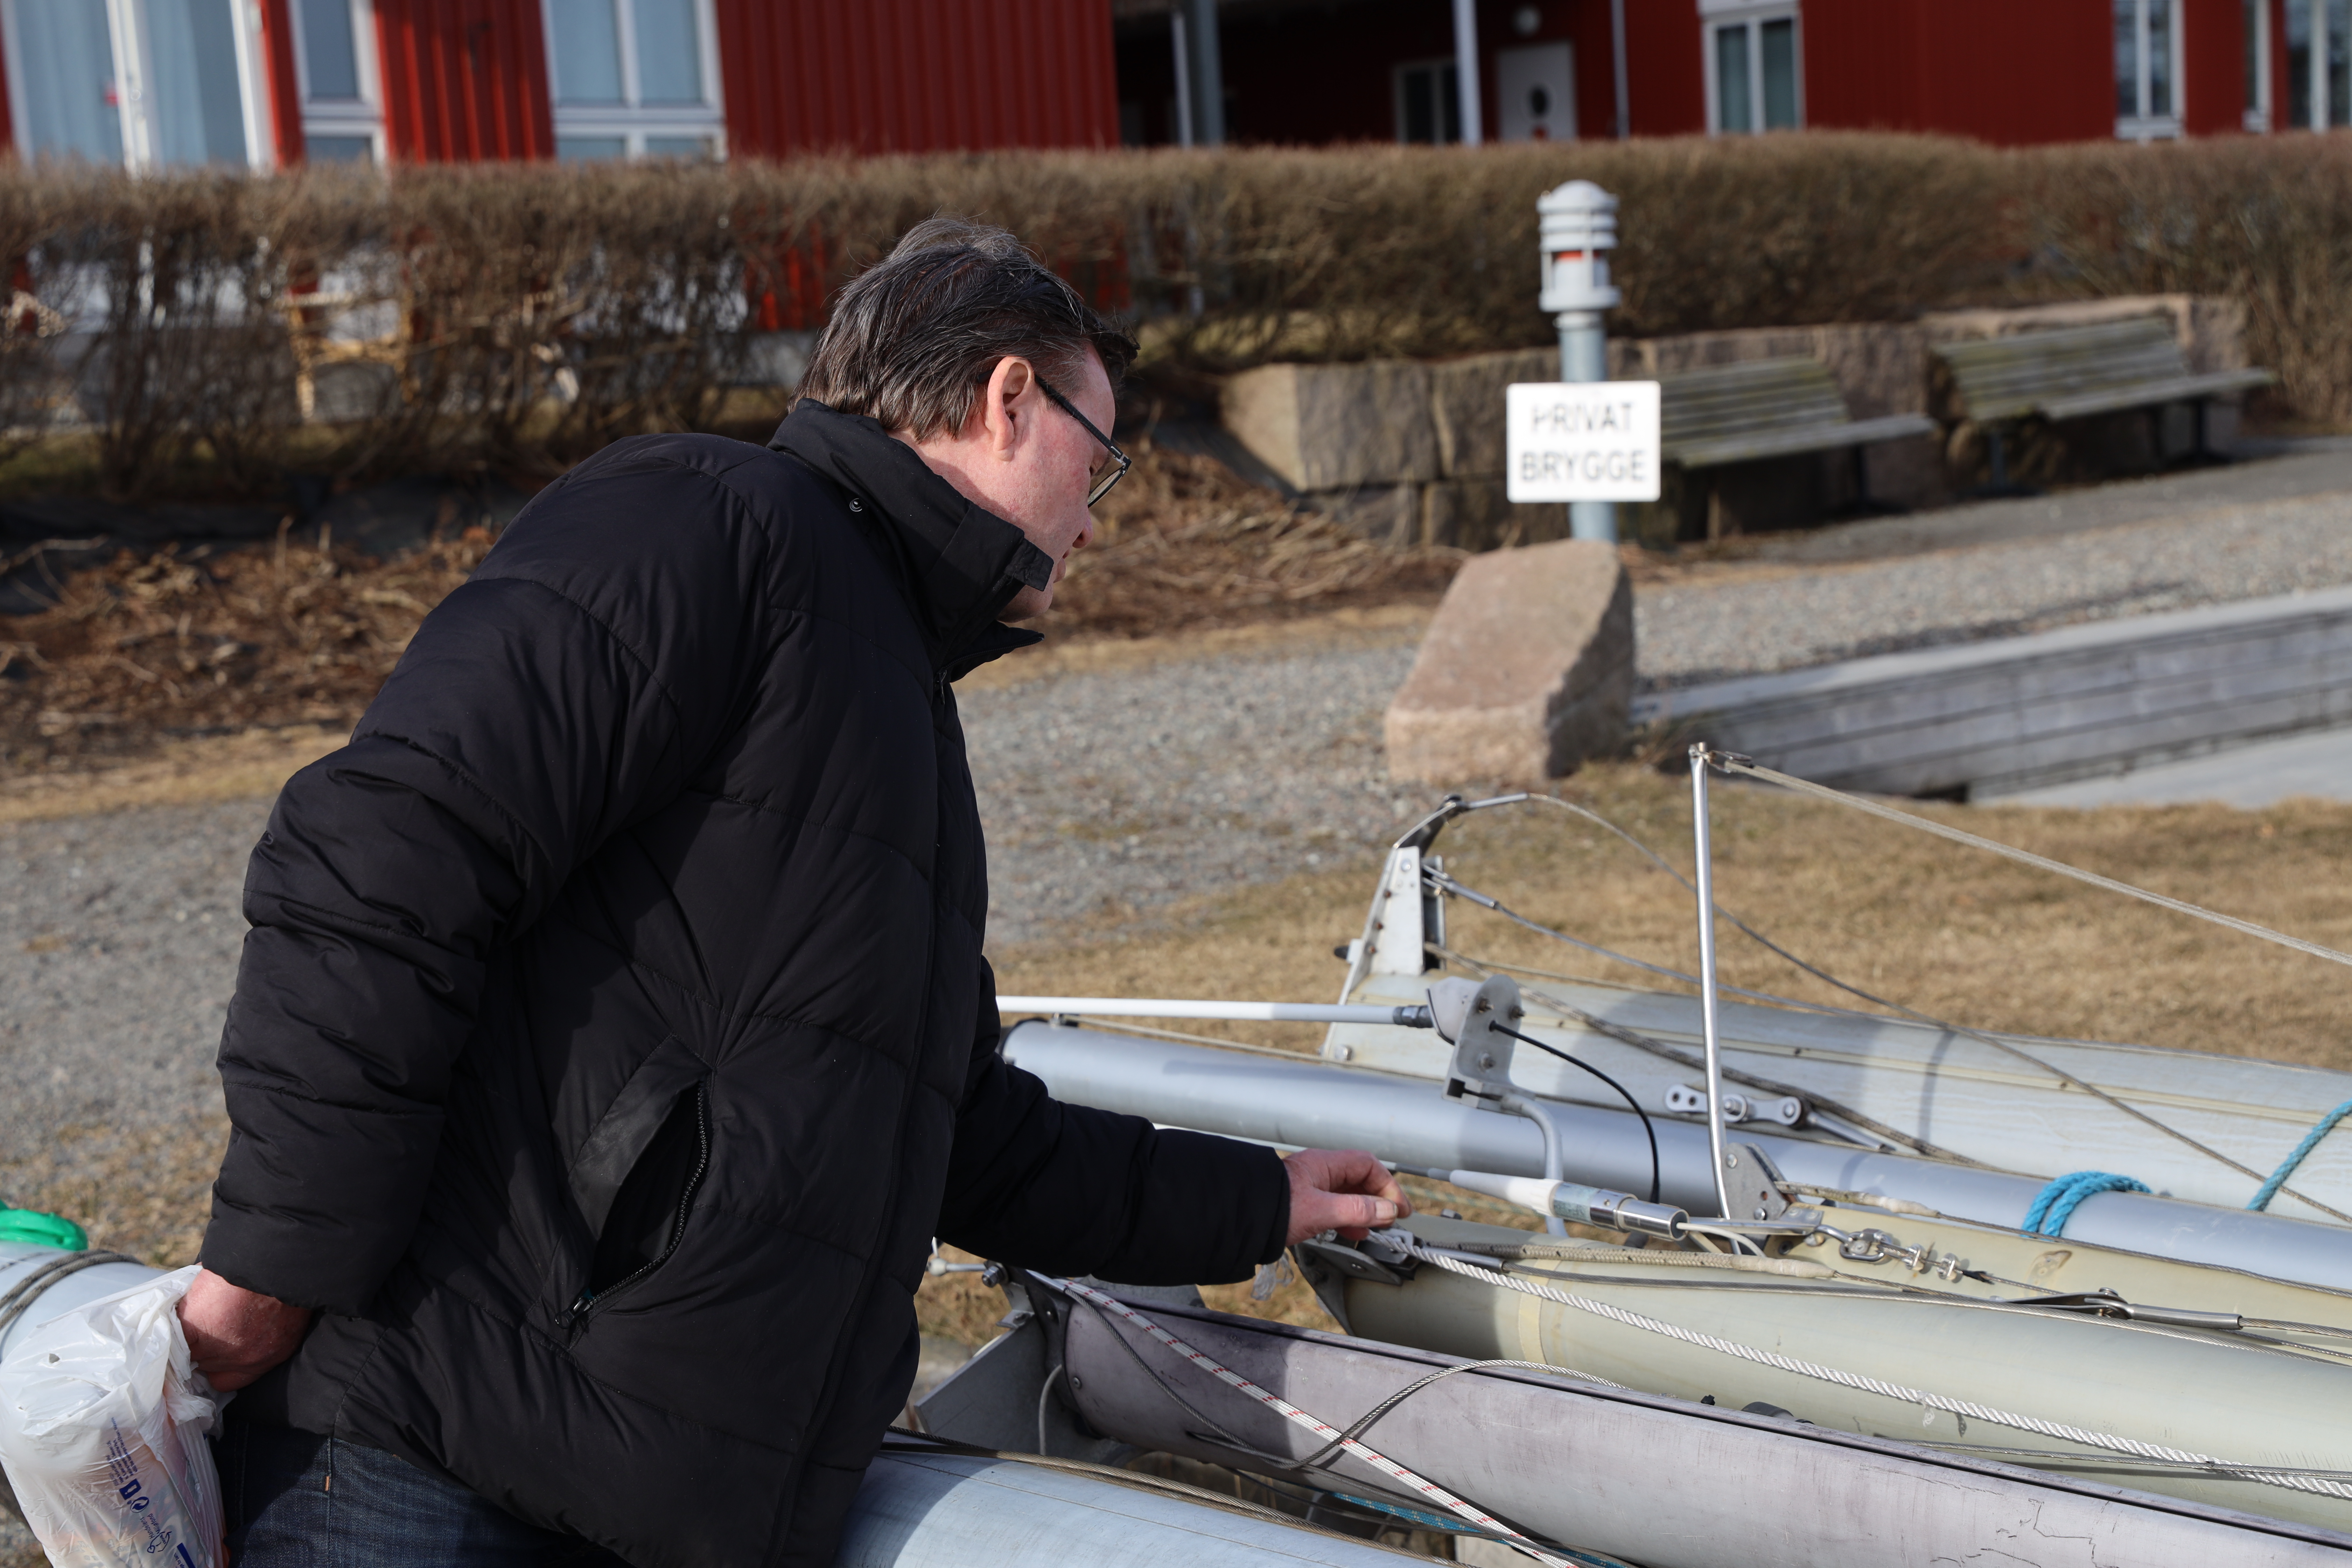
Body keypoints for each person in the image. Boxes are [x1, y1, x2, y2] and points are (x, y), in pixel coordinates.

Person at [177, 217, 1409, 1567]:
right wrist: (271, 1273)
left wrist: (1254, 1200)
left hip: (652, 1512)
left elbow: (949, 1130)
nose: (1095, 520)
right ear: (1008, 399)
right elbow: (380, 856)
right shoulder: (712, 520)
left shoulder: (891, 686)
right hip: (429, 1472)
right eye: (1097, 458)